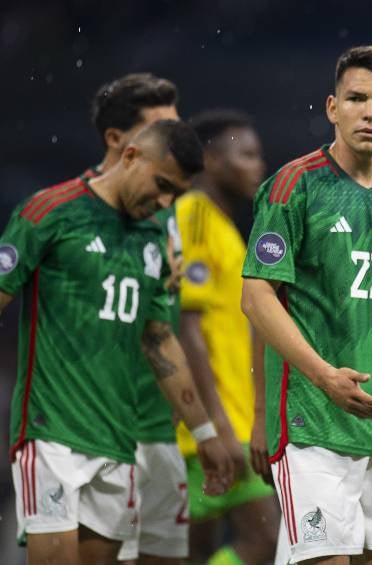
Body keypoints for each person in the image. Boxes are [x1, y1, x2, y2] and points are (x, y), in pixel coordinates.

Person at [1, 119, 233, 564]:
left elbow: (159, 340)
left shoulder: (153, 235)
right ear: (130, 156)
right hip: (52, 434)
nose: (164, 202)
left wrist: (204, 431)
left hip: (117, 440)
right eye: (161, 185)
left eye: (175, 195)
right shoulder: (51, 211)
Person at [240, 46, 372, 565]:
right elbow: (256, 298)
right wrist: (324, 377)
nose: (369, 112)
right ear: (332, 108)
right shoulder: (294, 186)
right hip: (313, 423)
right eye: (355, 99)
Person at [82, 72, 196, 565]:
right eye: (159, 128)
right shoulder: (74, 213)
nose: (176, 137)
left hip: (159, 423)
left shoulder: (167, 208)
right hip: (101, 426)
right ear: (118, 141)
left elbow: (163, 325)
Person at [176, 109, 279, 564]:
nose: (259, 166)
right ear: (210, 160)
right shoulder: (194, 218)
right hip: (213, 423)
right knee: (267, 541)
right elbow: (187, 329)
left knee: (193, 552)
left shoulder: (223, 228)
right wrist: (215, 424)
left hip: (228, 418)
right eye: (248, 155)